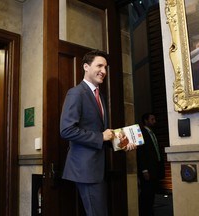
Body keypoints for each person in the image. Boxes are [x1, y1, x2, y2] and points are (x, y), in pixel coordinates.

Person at [60, 49, 136, 216]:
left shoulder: (100, 95)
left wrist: (121, 143)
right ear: (86, 67)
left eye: (105, 67)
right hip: (85, 169)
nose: (104, 71)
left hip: (97, 169)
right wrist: (100, 136)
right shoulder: (76, 93)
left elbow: (102, 133)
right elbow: (66, 130)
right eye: (99, 66)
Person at [137, 113, 165, 216]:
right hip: (147, 170)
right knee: (146, 192)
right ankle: (143, 212)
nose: (155, 121)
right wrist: (144, 170)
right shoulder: (141, 132)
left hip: (155, 168)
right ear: (146, 121)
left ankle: (149, 211)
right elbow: (141, 152)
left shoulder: (153, 133)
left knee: (152, 192)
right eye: (152, 119)